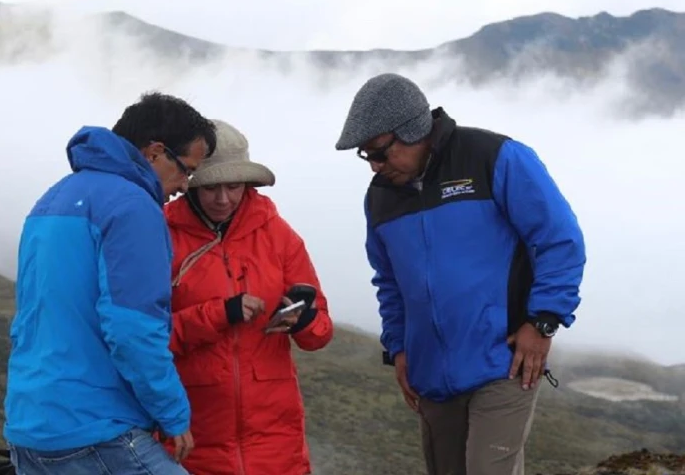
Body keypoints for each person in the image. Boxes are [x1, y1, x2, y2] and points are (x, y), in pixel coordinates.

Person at [334, 73, 586, 475]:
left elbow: (559, 239)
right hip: (430, 374)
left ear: (413, 130)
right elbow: (389, 282)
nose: (375, 167)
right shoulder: (380, 197)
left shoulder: (494, 157)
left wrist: (543, 322)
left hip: (503, 362)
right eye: (366, 157)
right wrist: (398, 349)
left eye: (379, 152)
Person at [0, 92, 216, 475]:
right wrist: (174, 414)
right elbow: (132, 329)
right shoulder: (134, 207)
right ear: (154, 153)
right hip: (94, 427)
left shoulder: (52, 199)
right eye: (186, 169)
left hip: (29, 423)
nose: (185, 185)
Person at [162, 119, 334, 475]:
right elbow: (146, 336)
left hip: (276, 445)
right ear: (190, 182)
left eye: (234, 186)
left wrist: (305, 320)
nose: (223, 199)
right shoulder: (161, 234)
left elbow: (320, 333)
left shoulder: (278, 235)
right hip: (193, 442)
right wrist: (219, 314)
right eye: (210, 187)